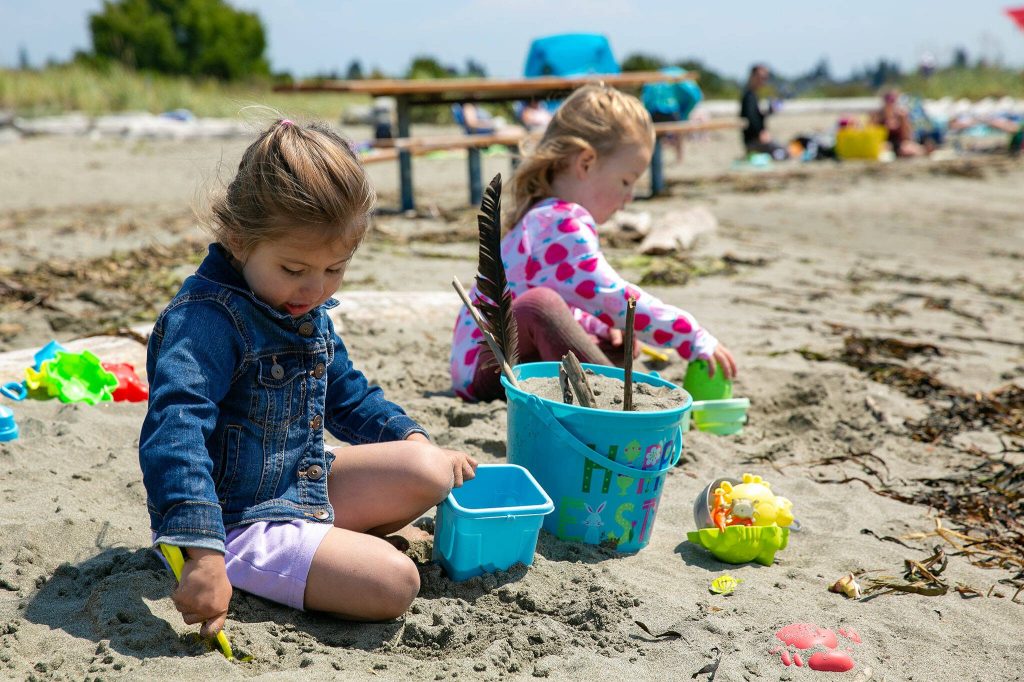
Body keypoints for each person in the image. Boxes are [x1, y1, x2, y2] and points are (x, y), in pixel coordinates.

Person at [140, 118, 477, 638]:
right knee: (395, 582)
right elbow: (174, 432)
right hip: (237, 518)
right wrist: (201, 550)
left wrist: (411, 439)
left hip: (301, 481)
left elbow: (346, 392)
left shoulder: (301, 306)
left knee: (429, 469)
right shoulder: (203, 320)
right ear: (237, 237)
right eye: (295, 270)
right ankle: (238, 563)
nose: (315, 289)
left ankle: (324, 550)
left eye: (335, 269)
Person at [449, 84, 737, 401]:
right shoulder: (557, 222)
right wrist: (690, 334)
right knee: (538, 306)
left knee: (616, 340)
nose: (629, 197)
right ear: (586, 163)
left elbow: (573, 293)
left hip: (515, 364)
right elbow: (610, 295)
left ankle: (605, 391)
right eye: (626, 181)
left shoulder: (546, 215)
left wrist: (598, 328)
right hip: (489, 369)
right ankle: (614, 407)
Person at [740, 64, 787, 159]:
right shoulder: (749, 96)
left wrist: (769, 111)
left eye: (765, 78)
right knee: (783, 152)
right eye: (761, 77)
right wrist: (760, 134)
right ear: (752, 77)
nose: (763, 81)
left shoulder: (753, 95)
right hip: (754, 142)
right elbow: (750, 119)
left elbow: (756, 116)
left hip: (755, 140)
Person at [870, 89, 926, 157]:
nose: (890, 103)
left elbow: (907, 136)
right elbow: (873, 136)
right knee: (884, 148)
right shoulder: (878, 116)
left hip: (899, 144)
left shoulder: (901, 116)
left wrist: (903, 121)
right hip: (885, 145)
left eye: (892, 100)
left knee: (911, 149)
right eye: (888, 99)